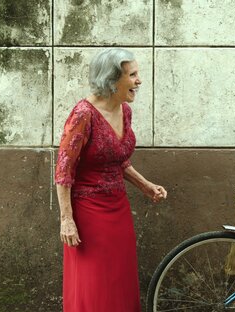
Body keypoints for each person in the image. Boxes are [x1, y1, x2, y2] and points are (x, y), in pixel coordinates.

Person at [55, 48, 168, 312]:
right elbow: (64, 169)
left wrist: (145, 185)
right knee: (94, 284)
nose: (139, 80)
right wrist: (66, 219)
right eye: (133, 75)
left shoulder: (124, 111)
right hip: (88, 212)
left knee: (119, 280)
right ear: (112, 79)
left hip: (118, 208)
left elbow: (118, 159)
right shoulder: (83, 114)